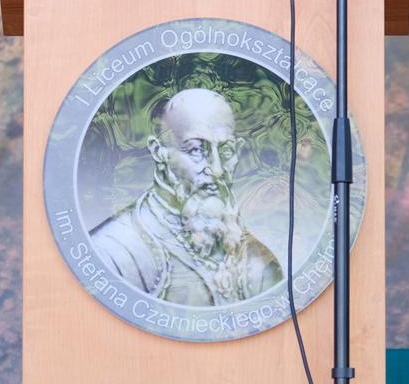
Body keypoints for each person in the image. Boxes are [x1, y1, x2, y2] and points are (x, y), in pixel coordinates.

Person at [89, 87, 282, 306]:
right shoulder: (111, 252)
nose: (216, 170)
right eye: (196, 150)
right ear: (158, 151)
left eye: (226, 151)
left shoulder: (256, 260)